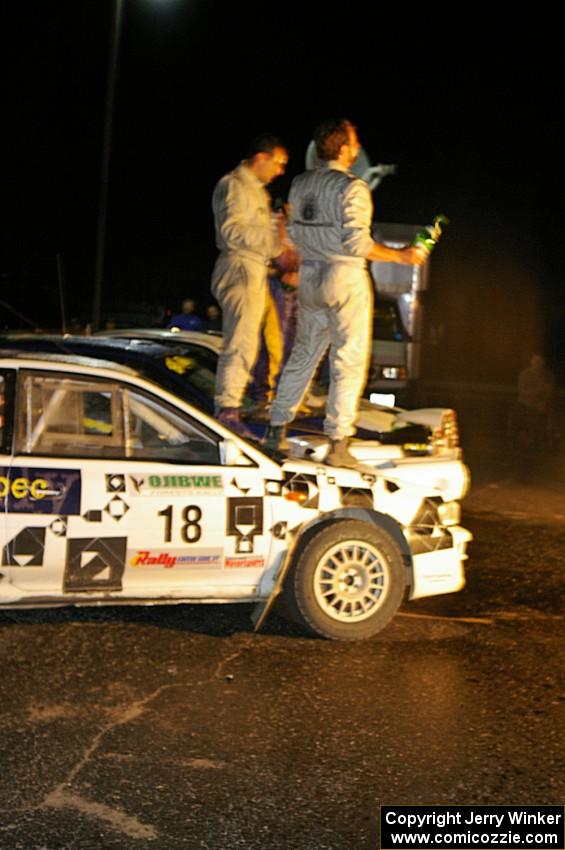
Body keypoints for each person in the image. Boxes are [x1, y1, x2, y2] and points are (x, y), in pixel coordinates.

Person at [265, 118, 425, 467]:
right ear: (342, 148)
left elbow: (293, 233)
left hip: (310, 276)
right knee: (348, 361)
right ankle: (338, 444)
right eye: (353, 143)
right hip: (344, 276)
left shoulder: (300, 183)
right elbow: (357, 243)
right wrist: (402, 256)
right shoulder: (353, 188)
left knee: (304, 355)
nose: (357, 149)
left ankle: (275, 430)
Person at [210, 134, 289, 436]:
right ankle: (227, 411)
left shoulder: (257, 191)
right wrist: (277, 248)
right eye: (279, 163)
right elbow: (232, 231)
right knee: (241, 341)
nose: (280, 171)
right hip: (239, 266)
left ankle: (234, 405)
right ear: (261, 157)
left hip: (253, 269)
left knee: (252, 343)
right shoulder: (234, 185)